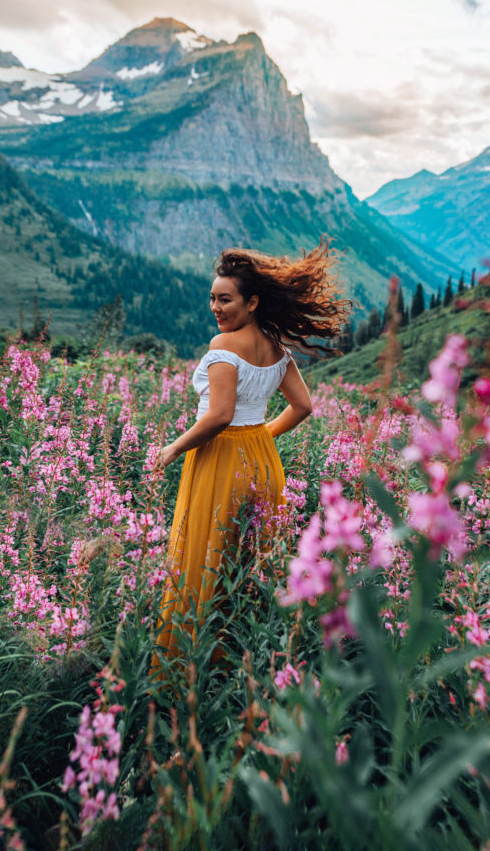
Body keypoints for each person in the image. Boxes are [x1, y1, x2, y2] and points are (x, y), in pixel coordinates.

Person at [151, 240, 351, 670]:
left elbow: (220, 416)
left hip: (220, 458)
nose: (216, 307)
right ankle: (245, 657)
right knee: (248, 560)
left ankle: (194, 662)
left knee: (207, 553)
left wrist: (172, 447)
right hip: (261, 461)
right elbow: (303, 407)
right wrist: (259, 439)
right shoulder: (276, 347)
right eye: (212, 298)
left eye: (225, 299)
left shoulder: (222, 344)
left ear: (252, 301)